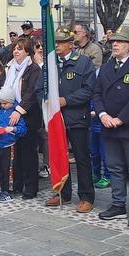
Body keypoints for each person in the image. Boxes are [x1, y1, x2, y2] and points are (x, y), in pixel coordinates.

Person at [93, 25, 129, 227]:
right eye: (113, 41)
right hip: (108, 125)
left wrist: (120, 119)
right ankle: (118, 204)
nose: (115, 44)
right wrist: (102, 115)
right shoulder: (107, 67)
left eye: (120, 41)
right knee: (114, 168)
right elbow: (97, 93)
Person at [45, 28, 97, 213]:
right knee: (59, 156)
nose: (57, 45)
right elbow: (40, 88)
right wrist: (45, 101)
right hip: (56, 119)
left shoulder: (83, 62)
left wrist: (66, 100)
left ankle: (86, 197)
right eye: (56, 42)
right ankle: (63, 193)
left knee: (82, 158)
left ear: (70, 44)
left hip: (76, 118)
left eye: (61, 42)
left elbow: (88, 90)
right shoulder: (50, 63)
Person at [0, 35, 43, 199]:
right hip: (10, 113)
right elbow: (1, 88)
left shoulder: (34, 69)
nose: (16, 52)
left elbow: (31, 92)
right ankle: (16, 184)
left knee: (28, 153)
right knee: (14, 153)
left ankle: (30, 188)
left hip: (28, 116)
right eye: (15, 49)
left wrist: (19, 110)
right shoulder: (9, 67)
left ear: (28, 52)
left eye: (20, 49)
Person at [0, 92, 26, 203]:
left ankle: (9, 191)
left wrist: (13, 129)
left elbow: (23, 130)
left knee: (8, 170)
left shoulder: (15, 113)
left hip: (9, 145)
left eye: (5, 103)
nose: (3, 105)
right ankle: (3, 188)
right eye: (1, 103)